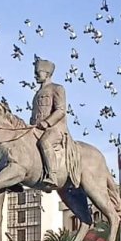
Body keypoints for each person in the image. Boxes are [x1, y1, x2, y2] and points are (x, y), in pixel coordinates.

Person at [30, 57, 71, 191]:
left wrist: (47, 123)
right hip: (37, 128)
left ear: (47, 73)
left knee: (45, 143)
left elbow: (60, 110)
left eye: (38, 72)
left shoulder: (57, 88)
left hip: (55, 128)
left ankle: (52, 175)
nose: (35, 75)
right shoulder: (37, 93)